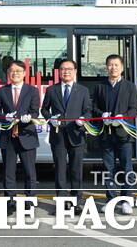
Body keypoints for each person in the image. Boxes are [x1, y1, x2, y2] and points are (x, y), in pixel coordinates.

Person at [41, 59, 91, 215]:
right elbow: (44, 109)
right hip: (58, 135)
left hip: (77, 134)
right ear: (59, 71)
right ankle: (61, 202)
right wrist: (50, 118)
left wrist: (83, 119)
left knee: (76, 170)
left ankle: (76, 201)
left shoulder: (83, 90)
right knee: (60, 170)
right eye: (63, 69)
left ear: (75, 71)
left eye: (69, 69)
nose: (66, 71)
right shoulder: (51, 90)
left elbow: (88, 111)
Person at [92, 54, 137, 215]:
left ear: (122, 67)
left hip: (124, 134)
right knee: (108, 168)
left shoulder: (130, 86)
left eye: (116, 65)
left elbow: (134, 109)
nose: (113, 68)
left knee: (127, 168)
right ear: (106, 67)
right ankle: (110, 199)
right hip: (106, 134)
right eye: (110, 65)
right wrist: (102, 115)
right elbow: (94, 108)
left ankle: (126, 200)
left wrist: (123, 118)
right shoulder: (100, 86)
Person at [0, 60, 40, 213]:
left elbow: (35, 111)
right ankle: (9, 201)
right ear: (8, 73)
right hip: (8, 136)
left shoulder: (32, 90)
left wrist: (28, 117)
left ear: (24, 73)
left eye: (18, 71)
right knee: (8, 172)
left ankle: (29, 200)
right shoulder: (2, 91)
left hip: (27, 135)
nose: (15, 73)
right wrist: (5, 117)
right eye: (12, 71)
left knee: (29, 171)